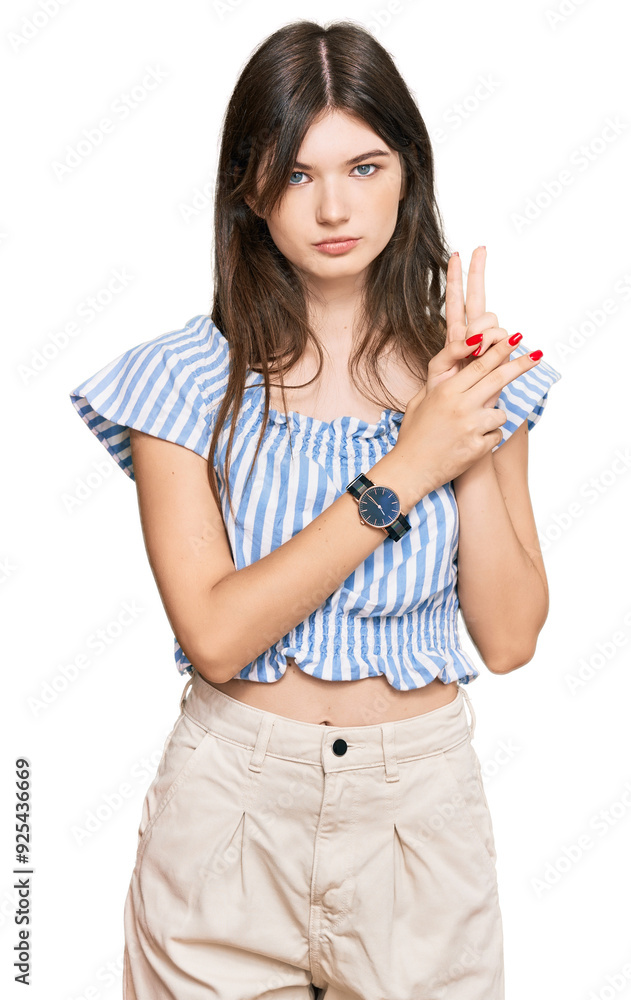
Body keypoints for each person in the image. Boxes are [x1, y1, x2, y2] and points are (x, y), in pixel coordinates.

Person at [69, 19, 561, 1000]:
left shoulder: (480, 376)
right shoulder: (179, 381)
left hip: (419, 810)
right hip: (230, 812)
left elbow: (507, 639)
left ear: (407, 173)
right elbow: (214, 632)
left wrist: (458, 413)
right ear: (249, 191)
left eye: (364, 166)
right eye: (297, 174)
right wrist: (403, 468)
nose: (334, 204)